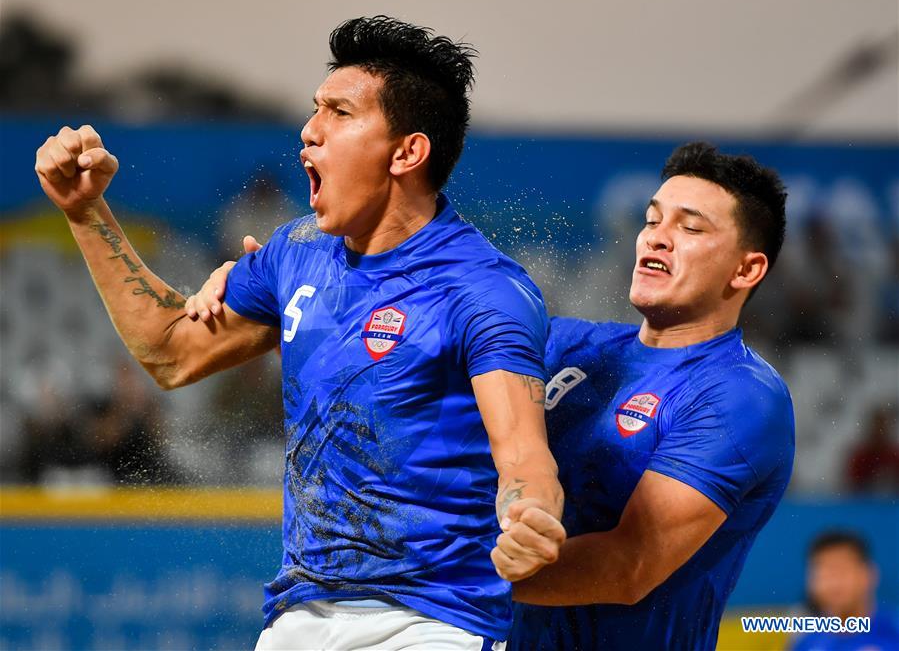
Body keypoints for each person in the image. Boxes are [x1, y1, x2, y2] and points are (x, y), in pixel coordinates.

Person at [34, 16, 565, 650]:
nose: (309, 132)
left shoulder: (482, 291)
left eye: (339, 113)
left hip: (432, 625)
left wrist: (530, 515)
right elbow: (171, 351)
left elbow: (524, 457)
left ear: (406, 152)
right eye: (315, 110)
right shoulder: (298, 252)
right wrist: (86, 213)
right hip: (300, 617)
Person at [190, 142, 797, 649]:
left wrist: (428, 576)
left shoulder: (742, 396)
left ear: (746, 270)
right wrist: (290, 293)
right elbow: (393, 382)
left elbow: (628, 565)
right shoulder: (566, 346)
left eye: (690, 228)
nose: (656, 239)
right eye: (652, 218)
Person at [792, 531, 899, 651]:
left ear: (869, 574)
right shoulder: (806, 643)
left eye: (841, 570)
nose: (834, 583)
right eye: (824, 574)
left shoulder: (894, 631)